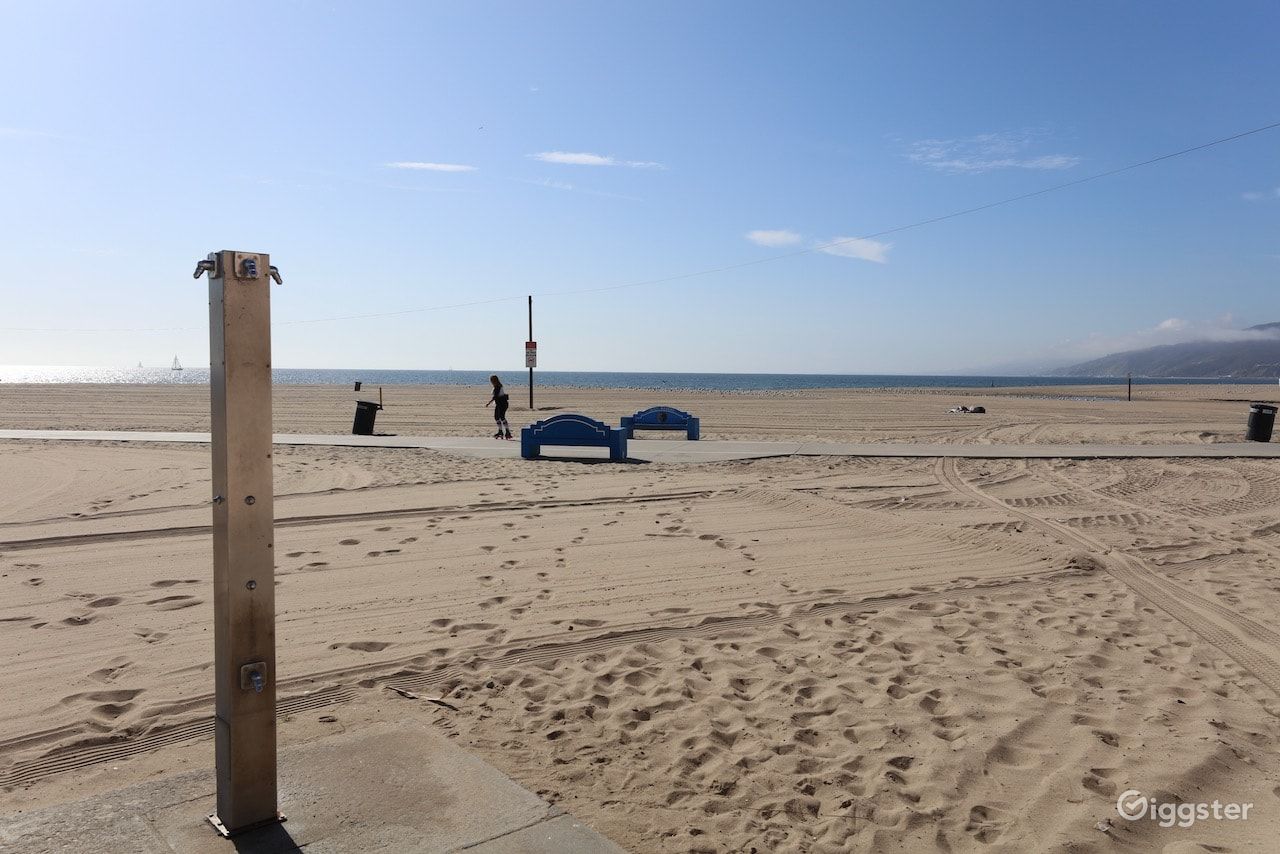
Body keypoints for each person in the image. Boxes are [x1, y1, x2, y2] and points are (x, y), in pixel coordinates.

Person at [486, 375, 512, 439]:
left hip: (502, 404)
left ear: (493, 380)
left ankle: (507, 431)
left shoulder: (497, 387)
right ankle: (501, 431)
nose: (490, 381)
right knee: (497, 417)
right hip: (500, 404)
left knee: (501, 417)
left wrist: (489, 402)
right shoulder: (498, 386)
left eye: (491, 380)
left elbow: (495, 396)